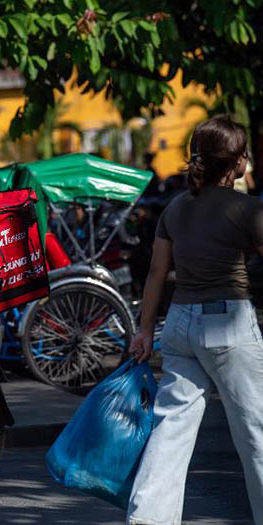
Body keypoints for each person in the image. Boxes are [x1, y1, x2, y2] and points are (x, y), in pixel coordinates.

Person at [128, 115, 263, 524]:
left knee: (170, 429)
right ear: (236, 162)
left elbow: (156, 273)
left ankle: (147, 519)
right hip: (228, 325)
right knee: (255, 430)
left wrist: (145, 330)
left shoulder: (175, 208)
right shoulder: (247, 209)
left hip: (179, 325)